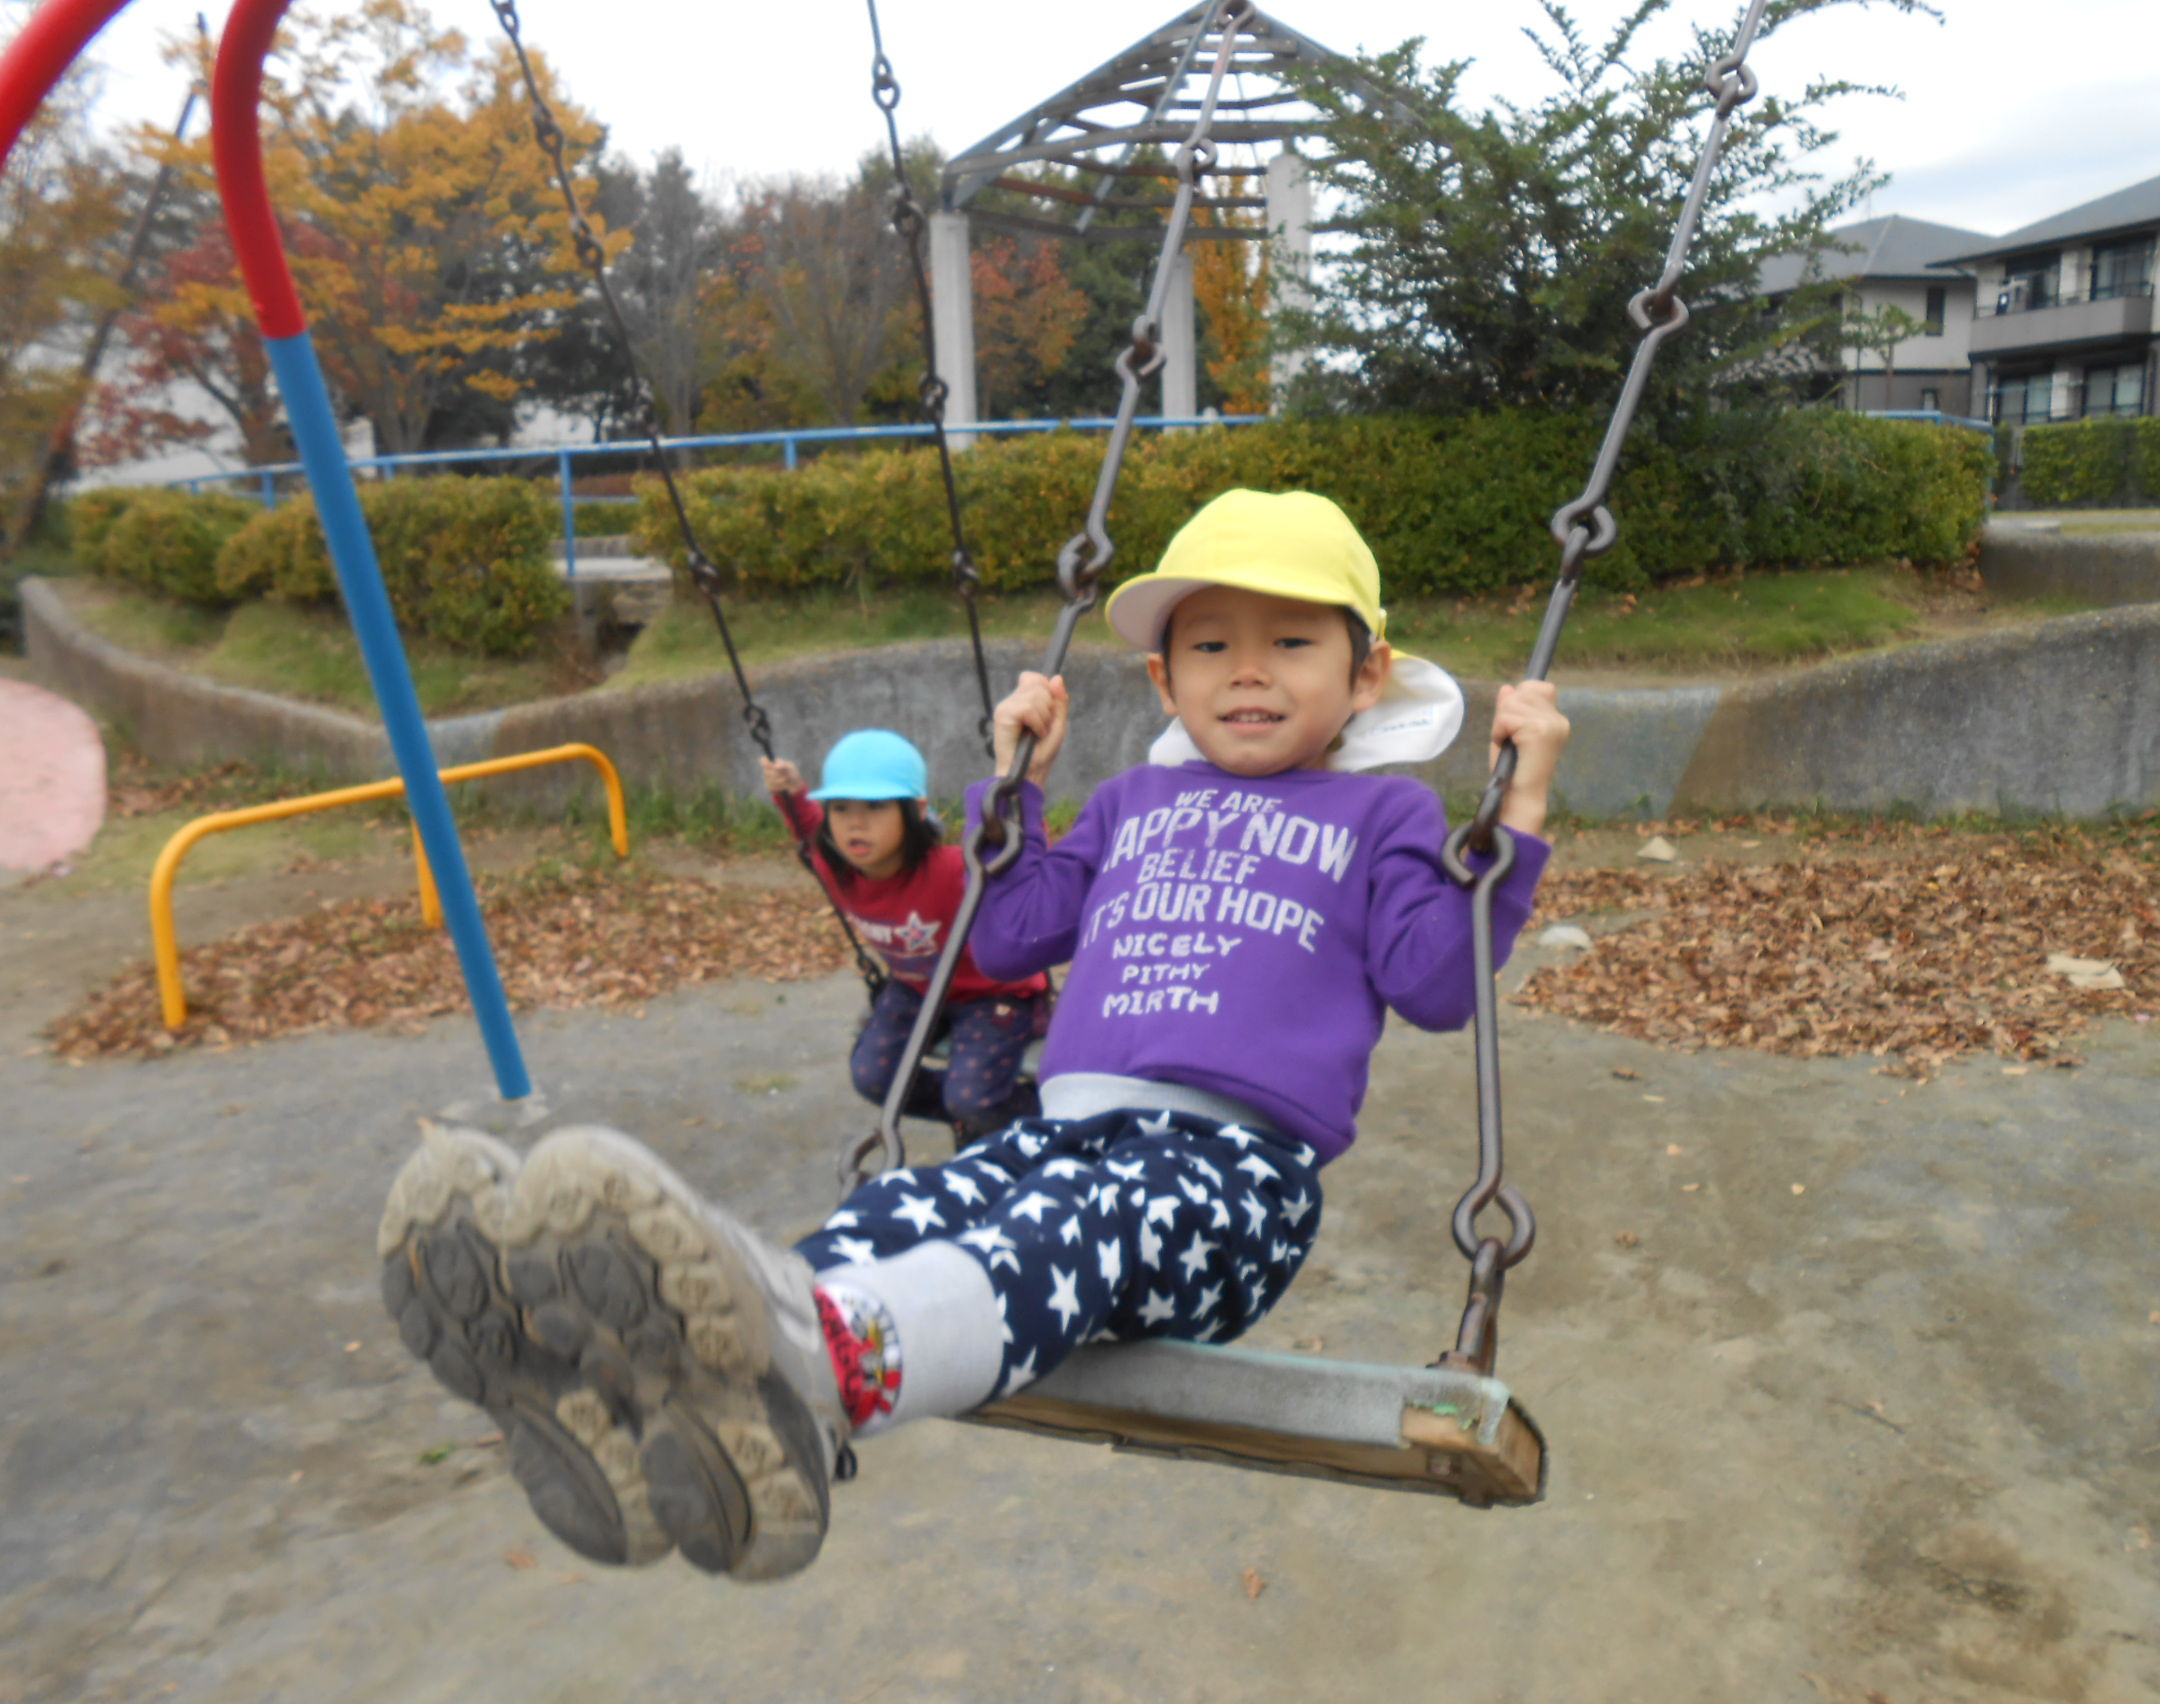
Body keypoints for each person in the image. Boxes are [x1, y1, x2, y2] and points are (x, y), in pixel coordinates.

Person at [377, 488, 1571, 1584]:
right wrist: (1018, 787)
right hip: (1066, 1131)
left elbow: (1436, 983)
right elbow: (1007, 934)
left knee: (1073, 1227)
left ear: (1366, 679)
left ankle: (825, 1372)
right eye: (1212, 646)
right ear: (1163, 683)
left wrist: (1515, 809)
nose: (1247, 674)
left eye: (1291, 644)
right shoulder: (1131, 803)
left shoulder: (1382, 812)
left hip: (1232, 1176)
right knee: (895, 1215)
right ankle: (649, 1406)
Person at [763, 729, 1048, 1144]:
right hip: (916, 987)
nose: (855, 823)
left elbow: (1021, 871)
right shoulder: (832, 866)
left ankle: (1044, 1111)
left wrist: (1016, 816)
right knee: (873, 1077)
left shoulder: (953, 869)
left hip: (994, 993)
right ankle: (967, 1117)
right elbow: (806, 827)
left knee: (972, 1099)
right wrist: (790, 792)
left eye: (875, 806)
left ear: (915, 811)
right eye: (840, 808)